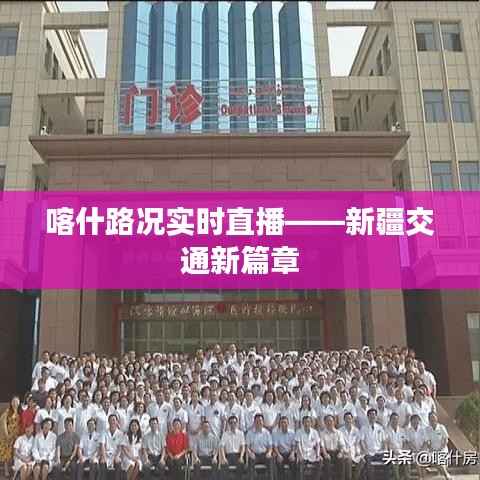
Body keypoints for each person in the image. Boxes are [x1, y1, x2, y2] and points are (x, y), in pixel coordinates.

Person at [423, 412, 452, 480]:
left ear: (436, 418)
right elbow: (427, 441)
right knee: (429, 459)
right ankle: (445, 473)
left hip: (442, 449)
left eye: (433, 417)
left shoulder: (441, 427)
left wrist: (440, 449)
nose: (432, 419)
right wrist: (431, 448)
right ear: (428, 419)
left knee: (439, 461)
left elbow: (445, 440)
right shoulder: (427, 429)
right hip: (432, 450)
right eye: (430, 417)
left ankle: (446, 475)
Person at [360, 408, 387, 480]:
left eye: (374, 415)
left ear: (376, 416)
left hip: (379, 452)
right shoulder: (363, 428)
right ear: (368, 416)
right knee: (368, 462)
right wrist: (365, 451)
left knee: (388, 460)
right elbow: (362, 441)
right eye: (371, 415)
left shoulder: (380, 427)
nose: (372, 416)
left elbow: (384, 441)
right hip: (369, 452)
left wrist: (384, 450)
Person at [246, 414, 273, 480]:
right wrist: (250, 453)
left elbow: (270, 446)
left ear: (263, 422)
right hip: (254, 454)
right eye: (257, 421)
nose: (259, 422)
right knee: (250, 460)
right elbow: (247, 447)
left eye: (260, 421)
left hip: (264, 454)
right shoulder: (250, 433)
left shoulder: (267, 433)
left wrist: (269, 452)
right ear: (254, 422)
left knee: (271, 460)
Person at [0, 396, 22, 478]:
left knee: (14, 452)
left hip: (16, 435)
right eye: (14, 401)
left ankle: (13, 469)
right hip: (8, 435)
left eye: (17, 402)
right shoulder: (7, 412)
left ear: (19, 403)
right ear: (11, 403)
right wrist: (7, 435)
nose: (15, 403)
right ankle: (6, 469)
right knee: (7, 452)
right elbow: (3, 423)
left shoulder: (19, 412)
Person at [295, 416, 322, 480]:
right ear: (302, 423)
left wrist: (318, 455)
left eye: (308, 422)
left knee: (320, 461)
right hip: (302, 453)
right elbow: (298, 445)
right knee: (301, 464)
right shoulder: (299, 432)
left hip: (312, 454)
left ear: (311, 423)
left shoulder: (315, 432)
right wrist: (300, 455)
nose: (306, 423)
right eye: (305, 422)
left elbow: (318, 445)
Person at [321, 414, 347, 480]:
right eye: (327, 421)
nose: (329, 423)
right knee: (327, 460)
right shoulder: (322, 433)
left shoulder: (339, 433)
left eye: (331, 421)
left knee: (341, 459)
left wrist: (341, 452)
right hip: (327, 452)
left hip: (336, 452)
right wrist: (325, 454)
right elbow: (322, 445)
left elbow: (342, 444)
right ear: (324, 423)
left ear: (334, 422)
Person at [219, 416, 245, 480]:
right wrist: (223, 458)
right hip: (228, 456)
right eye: (231, 423)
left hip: (237, 455)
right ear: (228, 424)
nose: (233, 424)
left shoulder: (241, 433)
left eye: (234, 422)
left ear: (237, 423)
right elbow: (221, 447)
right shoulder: (225, 434)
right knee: (224, 464)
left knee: (241, 463)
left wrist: (241, 457)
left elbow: (243, 446)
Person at [340, 412, 364, 480]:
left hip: (354, 451)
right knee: (349, 460)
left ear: (352, 419)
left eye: (350, 418)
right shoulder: (340, 430)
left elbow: (357, 443)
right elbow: (341, 444)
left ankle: (355, 477)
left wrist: (358, 452)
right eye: (346, 419)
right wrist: (346, 451)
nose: (348, 420)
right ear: (344, 420)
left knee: (362, 460)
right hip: (344, 452)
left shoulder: (356, 430)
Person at [385, 412, 409, 480]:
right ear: (390, 420)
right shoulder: (387, 430)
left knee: (406, 460)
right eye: (393, 419)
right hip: (392, 452)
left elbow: (405, 443)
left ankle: (407, 477)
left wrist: (403, 451)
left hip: (401, 451)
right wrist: (389, 453)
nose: (395, 421)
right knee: (395, 462)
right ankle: (397, 478)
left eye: (396, 419)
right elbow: (386, 443)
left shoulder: (402, 430)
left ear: (398, 420)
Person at [100, 414, 124, 480]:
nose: (112, 422)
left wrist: (116, 456)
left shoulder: (120, 433)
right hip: (106, 455)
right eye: (110, 420)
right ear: (108, 421)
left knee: (118, 464)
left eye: (114, 420)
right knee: (102, 463)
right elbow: (102, 445)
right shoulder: (104, 432)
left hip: (116, 455)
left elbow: (120, 447)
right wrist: (104, 457)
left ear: (117, 422)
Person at [272, 416, 296, 480]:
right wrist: (278, 455)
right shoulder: (276, 433)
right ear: (279, 424)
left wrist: (292, 453)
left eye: (285, 422)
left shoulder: (292, 433)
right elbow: (275, 446)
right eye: (282, 422)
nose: (283, 424)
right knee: (278, 463)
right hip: (280, 453)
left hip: (289, 453)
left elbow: (294, 445)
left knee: (294, 462)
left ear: (288, 423)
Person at [404, 414, 426, 479]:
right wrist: (415, 450)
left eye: (417, 420)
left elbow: (426, 441)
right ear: (411, 422)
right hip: (414, 450)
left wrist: (421, 450)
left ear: (419, 421)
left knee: (422, 460)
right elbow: (408, 442)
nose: (415, 422)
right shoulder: (408, 430)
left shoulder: (423, 429)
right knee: (416, 459)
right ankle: (420, 476)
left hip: (423, 449)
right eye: (413, 420)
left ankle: (423, 477)